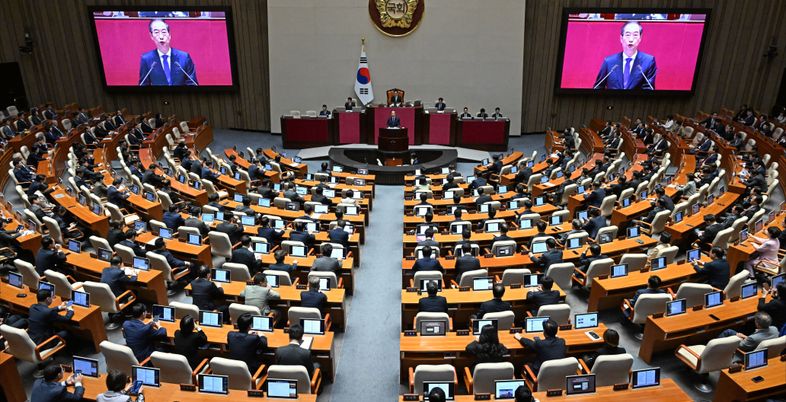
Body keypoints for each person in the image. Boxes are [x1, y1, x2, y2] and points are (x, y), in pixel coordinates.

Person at [593, 21, 657, 90]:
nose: (631, 39)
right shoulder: (609, 62)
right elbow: (598, 87)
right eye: (627, 35)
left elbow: (649, 89)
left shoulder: (648, 61)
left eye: (635, 35)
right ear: (621, 38)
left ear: (640, 38)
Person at [139, 19, 198, 86]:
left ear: (169, 35)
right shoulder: (146, 59)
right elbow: (144, 84)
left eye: (164, 32)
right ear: (151, 36)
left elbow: (192, 83)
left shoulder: (184, 57)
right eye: (156, 32)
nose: (161, 37)